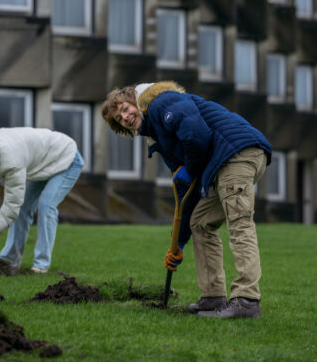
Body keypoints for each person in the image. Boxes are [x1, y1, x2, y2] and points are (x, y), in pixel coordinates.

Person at [102, 81, 272, 319]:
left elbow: (196, 134)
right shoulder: (158, 137)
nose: (125, 117)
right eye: (119, 119)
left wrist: (190, 169)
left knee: (239, 222)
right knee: (200, 222)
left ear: (134, 101)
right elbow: (188, 193)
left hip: (237, 152)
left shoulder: (161, 101)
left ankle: (247, 300)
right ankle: (213, 298)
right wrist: (179, 243)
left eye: (125, 109)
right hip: (221, 164)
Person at [0, 127, 84, 273]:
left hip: (67, 158)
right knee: (23, 208)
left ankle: (41, 265)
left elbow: (12, 204)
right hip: (42, 163)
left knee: (46, 205)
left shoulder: (12, 162)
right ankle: (10, 260)